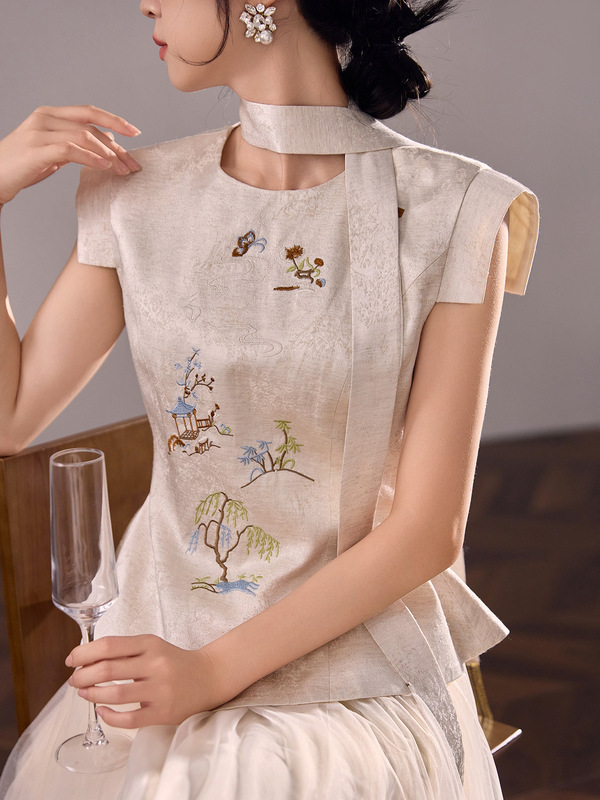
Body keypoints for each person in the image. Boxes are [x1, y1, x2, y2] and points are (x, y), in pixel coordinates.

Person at [0, 0, 540, 797]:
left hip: (350, 658)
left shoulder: (454, 208)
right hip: (159, 645)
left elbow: (428, 531)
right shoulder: (136, 195)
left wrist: (212, 673)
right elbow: (10, 416)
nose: (145, 2)